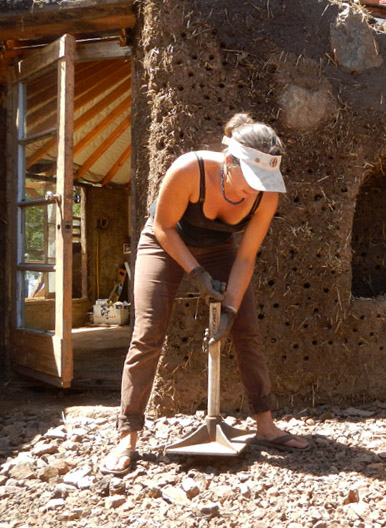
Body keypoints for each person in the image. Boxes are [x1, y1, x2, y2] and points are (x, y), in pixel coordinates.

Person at [101, 113, 310, 475]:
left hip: (219, 248)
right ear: (229, 162)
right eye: (251, 180)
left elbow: (245, 257)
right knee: (147, 334)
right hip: (165, 242)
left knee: (246, 328)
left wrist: (229, 307)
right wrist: (195, 274)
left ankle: (266, 425)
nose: (255, 190)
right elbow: (164, 226)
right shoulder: (190, 169)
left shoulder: (266, 197)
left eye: (264, 182)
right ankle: (128, 436)